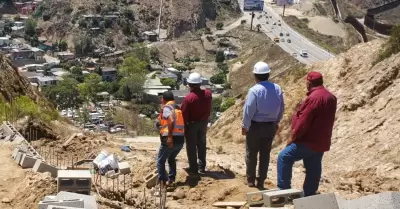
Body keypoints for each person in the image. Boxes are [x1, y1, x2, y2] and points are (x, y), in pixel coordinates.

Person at [277, 71, 337, 197]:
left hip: (308, 140)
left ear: (309, 83)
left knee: (284, 157)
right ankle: (310, 194)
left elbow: (303, 122)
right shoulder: (331, 97)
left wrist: (293, 137)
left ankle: (283, 191)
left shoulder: (313, 98)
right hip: (322, 140)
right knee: (313, 166)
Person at [242, 61, 285, 189]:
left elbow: (249, 109)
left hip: (255, 126)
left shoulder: (254, 90)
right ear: (268, 74)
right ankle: (261, 181)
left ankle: (250, 180)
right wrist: (277, 121)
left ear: (255, 76)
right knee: (265, 155)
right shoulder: (277, 88)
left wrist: (245, 125)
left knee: (251, 153)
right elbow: (281, 107)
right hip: (270, 126)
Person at [181, 72, 212, 175]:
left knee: (191, 146)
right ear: (199, 84)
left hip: (192, 125)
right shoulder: (208, 94)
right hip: (203, 123)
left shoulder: (188, 99)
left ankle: (193, 168)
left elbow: (184, 115)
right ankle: (201, 167)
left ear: (190, 85)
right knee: (202, 145)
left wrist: (183, 128)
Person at [156, 91, 185, 185]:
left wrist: (169, 137)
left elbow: (171, 120)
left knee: (161, 161)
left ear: (164, 99)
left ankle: (163, 183)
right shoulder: (177, 108)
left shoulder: (167, 108)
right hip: (180, 140)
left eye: (161, 99)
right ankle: (171, 180)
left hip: (170, 139)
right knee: (171, 159)